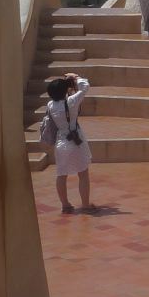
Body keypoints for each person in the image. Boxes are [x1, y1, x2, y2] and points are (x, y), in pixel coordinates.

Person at [47, 73, 95, 214]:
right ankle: (85, 204)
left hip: (61, 142)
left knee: (61, 174)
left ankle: (65, 204)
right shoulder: (71, 102)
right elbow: (85, 87)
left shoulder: (50, 105)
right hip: (75, 141)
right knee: (83, 173)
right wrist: (76, 77)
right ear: (64, 91)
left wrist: (66, 86)